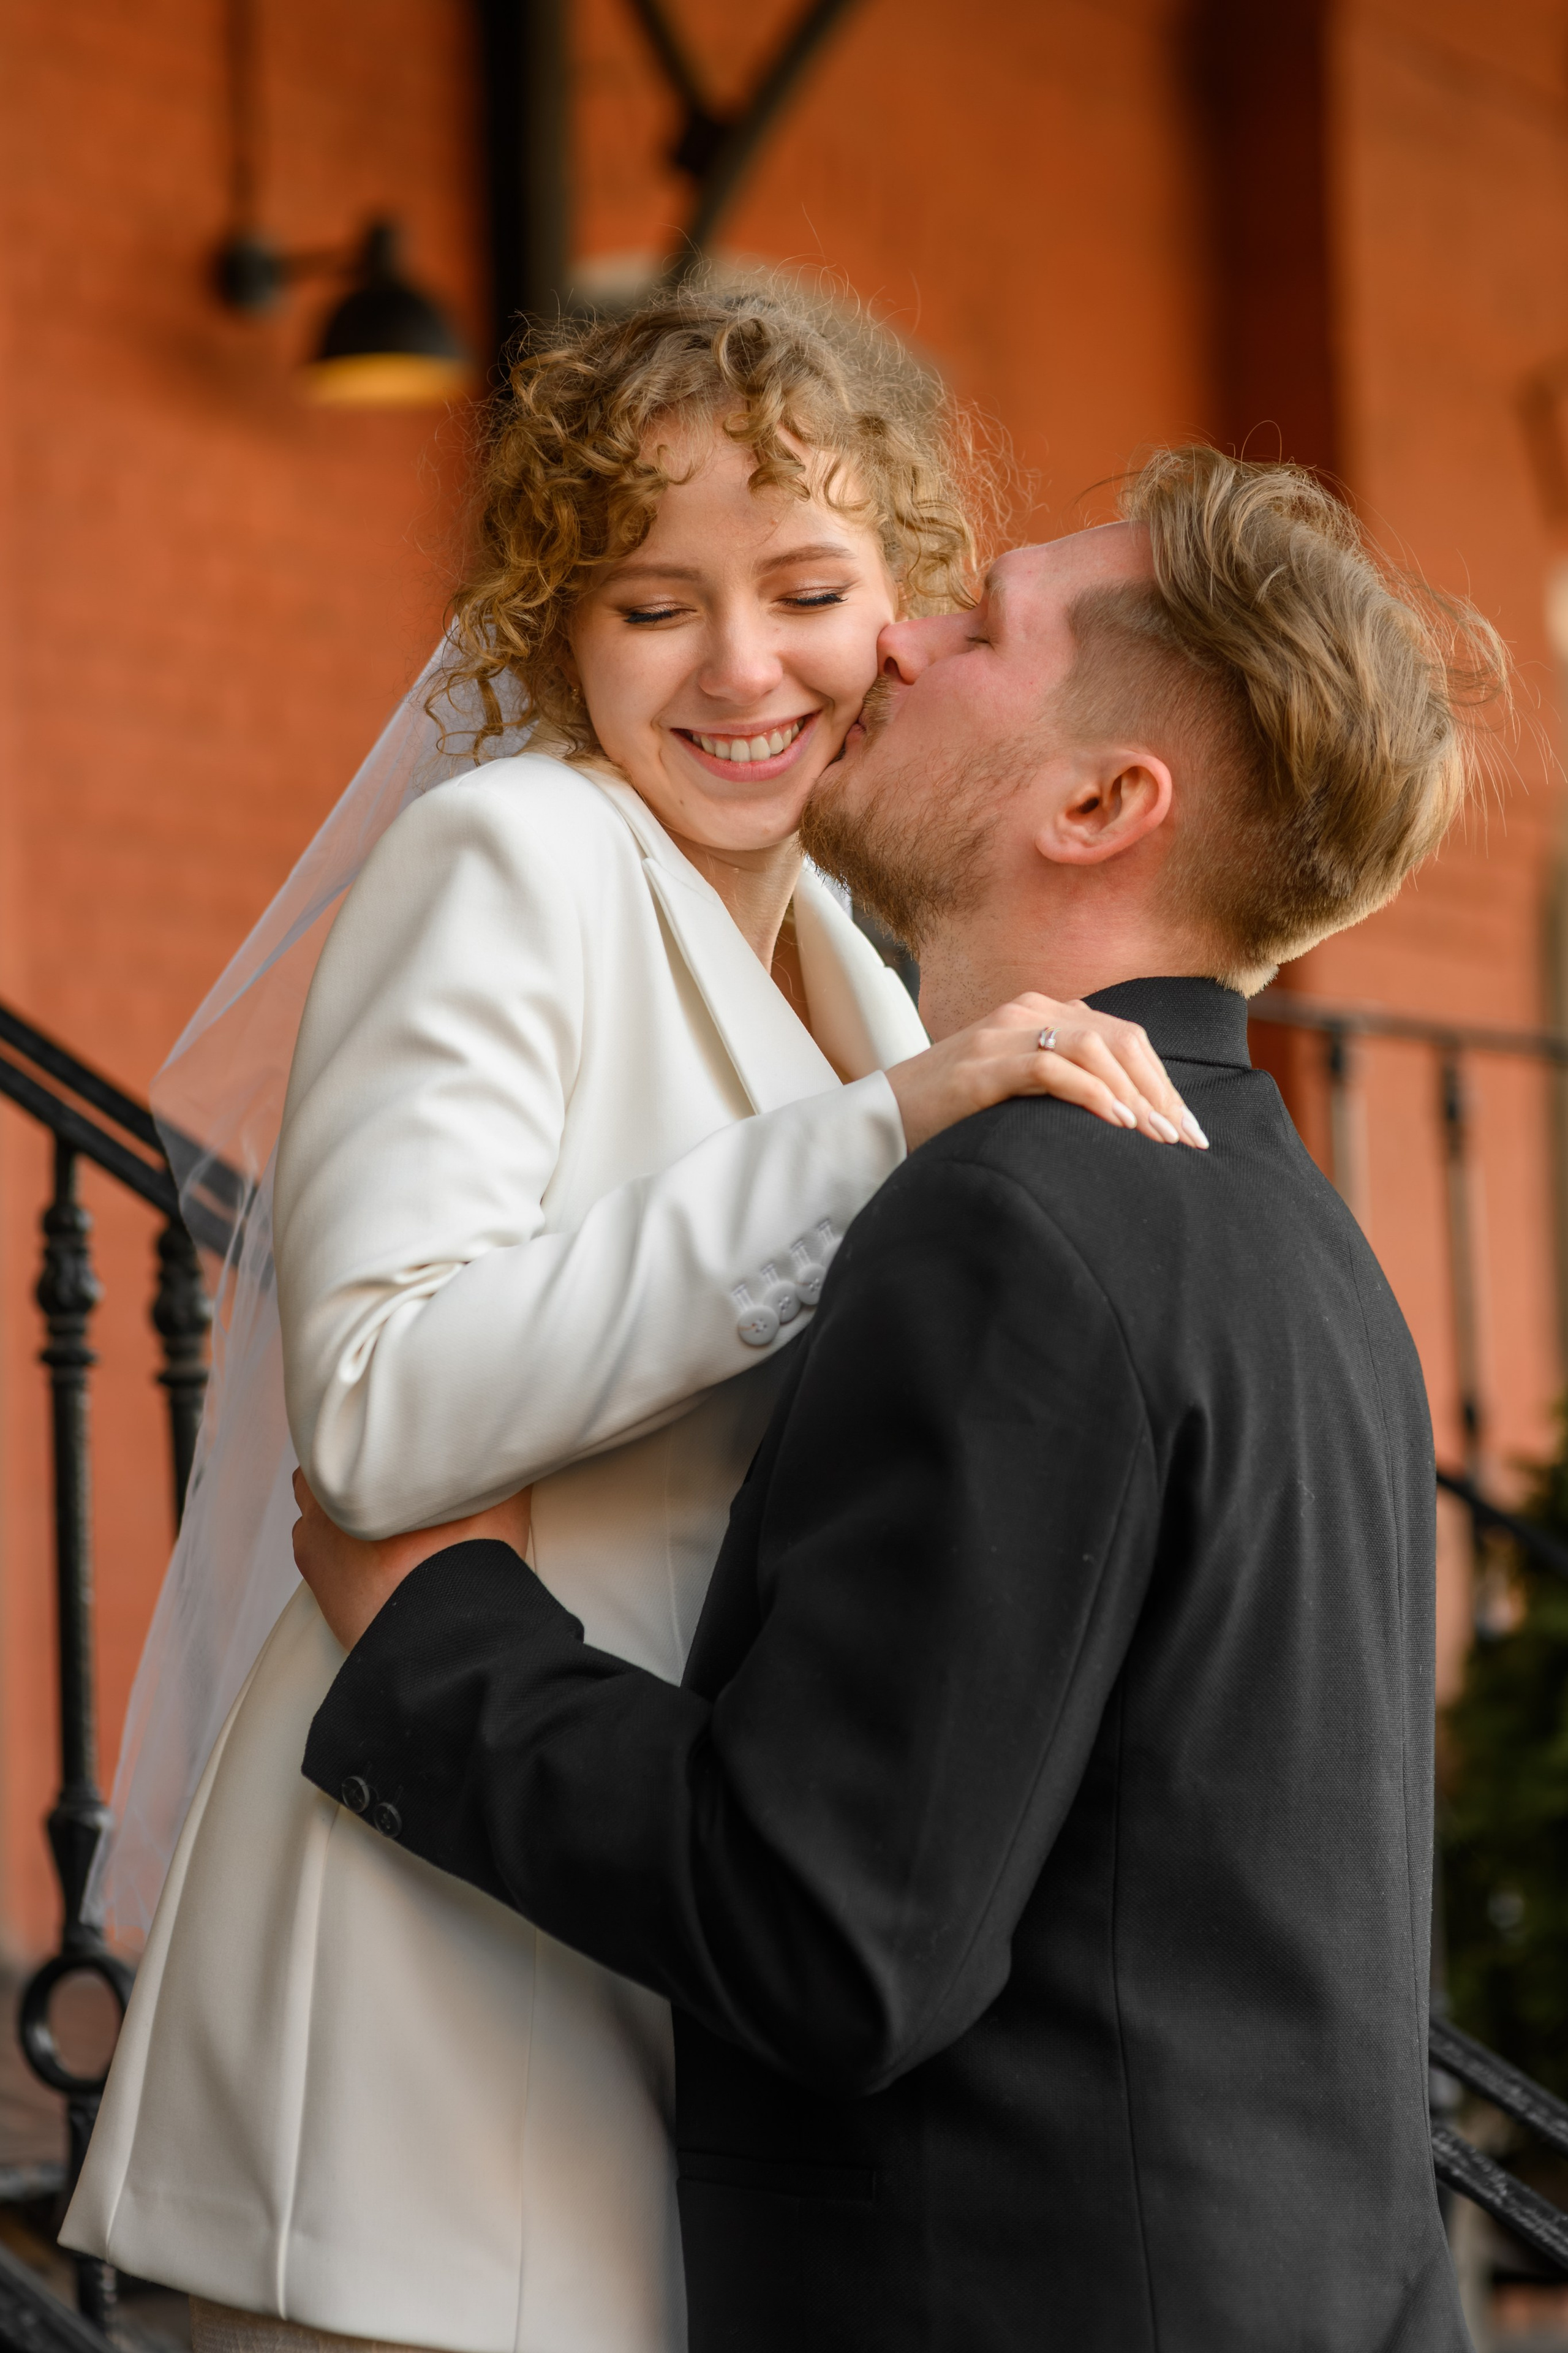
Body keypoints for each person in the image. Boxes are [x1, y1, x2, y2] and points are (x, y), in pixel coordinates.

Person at [63, 282, 1193, 2353]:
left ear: (903, 611)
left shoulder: (848, 958)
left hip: (654, 1952)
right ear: (558, 628)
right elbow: (375, 1406)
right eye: (654, 604)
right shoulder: (506, 855)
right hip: (416, 2035)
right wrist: (876, 1138)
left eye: (808, 590)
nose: (741, 666)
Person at [293, 446, 1503, 2352]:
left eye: (984, 626)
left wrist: (440, 1639)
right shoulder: (1301, 1240)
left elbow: (836, 1931)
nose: (896, 639)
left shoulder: (1020, 1221)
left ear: (1099, 803)